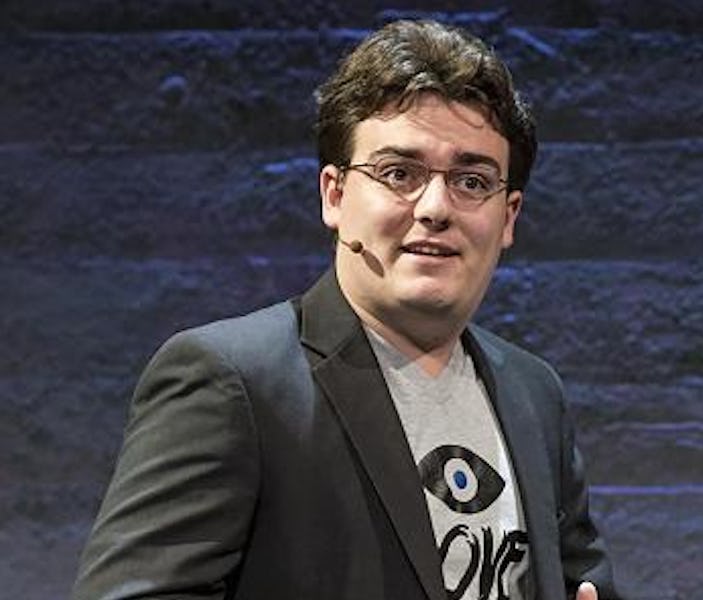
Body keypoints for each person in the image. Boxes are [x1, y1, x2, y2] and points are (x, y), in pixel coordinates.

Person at [73, 19, 623, 600]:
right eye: (399, 174)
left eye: (471, 181)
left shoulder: (534, 392)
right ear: (334, 195)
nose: (435, 207)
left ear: (508, 216)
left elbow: (583, 584)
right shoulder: (231, 382)